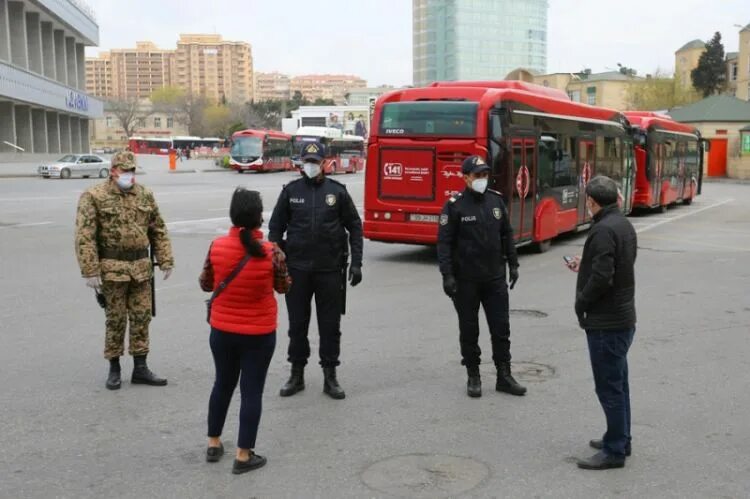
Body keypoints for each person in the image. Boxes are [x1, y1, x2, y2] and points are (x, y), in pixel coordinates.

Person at [199, 188, 291, 475]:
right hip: (259, 334)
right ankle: (243, 455)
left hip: (222, 331)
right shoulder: (271, 252)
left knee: (222, 384)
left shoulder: (216, 246)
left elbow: (206, 283)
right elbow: (284, 286)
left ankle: (213, 443)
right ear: (258, 218)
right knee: (251, 392)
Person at [269, 141, 363, 400]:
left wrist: (357, 262)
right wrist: (276, 257)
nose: (310, 166)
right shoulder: (290, 191)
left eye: (315, 162)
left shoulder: (338, 192)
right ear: (301, 163)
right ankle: (296, 374)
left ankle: (330, 376)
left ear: (324, 162)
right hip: (297, 270)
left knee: (330, 326)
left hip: (329, 270)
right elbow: (275, 228)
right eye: (306, 162)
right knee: (297, 325)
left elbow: (355, 226)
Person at [75, 150, 173, 390]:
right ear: (113, 171)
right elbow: (84, 235)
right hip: (112, 269)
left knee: (142, 318)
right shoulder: (94, 196)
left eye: (132, 171)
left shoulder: (145, 195)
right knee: (116, 319)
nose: (129, 175)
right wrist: (90, 269)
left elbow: (158, 229)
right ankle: (114, 367)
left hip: (140, 268)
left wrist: (166, 259)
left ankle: (140, 367)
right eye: (124, 171)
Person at [437, 155, 526, 398]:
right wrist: (447, 275)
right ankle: (473, 375)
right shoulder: (454, 205)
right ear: (465, 177)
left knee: (501, 329)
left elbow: (506, 234)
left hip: (494, 278)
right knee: (469, 330)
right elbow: (444, 244)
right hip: (466, 280)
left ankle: (504, 375)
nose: (482, 179)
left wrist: (514, 264)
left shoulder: (495, 202)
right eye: (477, 175)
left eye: (485, 175)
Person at [565, 175, 637, 470]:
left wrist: (581, 301)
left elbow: (602, 277)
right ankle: (620, 437)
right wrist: (587, 262)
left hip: (607, 322)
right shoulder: (622, 224)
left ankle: (614, 451)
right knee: (619, 384)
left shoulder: (604, 229)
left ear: (592, 202)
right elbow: (616, 263)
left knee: (609, 387)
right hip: (622, 317)